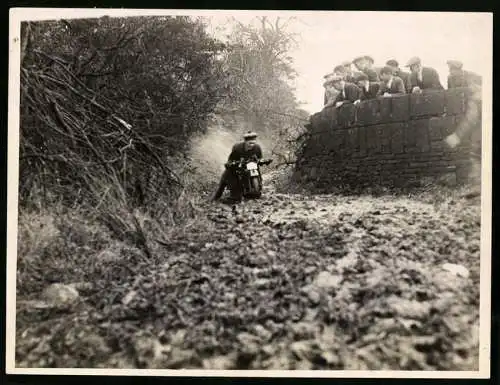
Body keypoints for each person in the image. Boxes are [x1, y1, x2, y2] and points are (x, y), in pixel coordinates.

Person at [212, 131, 263, 202]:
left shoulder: (257, 148)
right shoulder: (237, 147)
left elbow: (259, 158)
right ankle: (216, 197)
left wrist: (262, 161)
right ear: (245, 142)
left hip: (251, 165)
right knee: (227, 175)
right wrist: (231, 164)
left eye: (253, 143)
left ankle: (258, 188)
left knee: (256, 169)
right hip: (238, 165)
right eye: (250, 143)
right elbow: (230, 159)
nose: (251, 145)